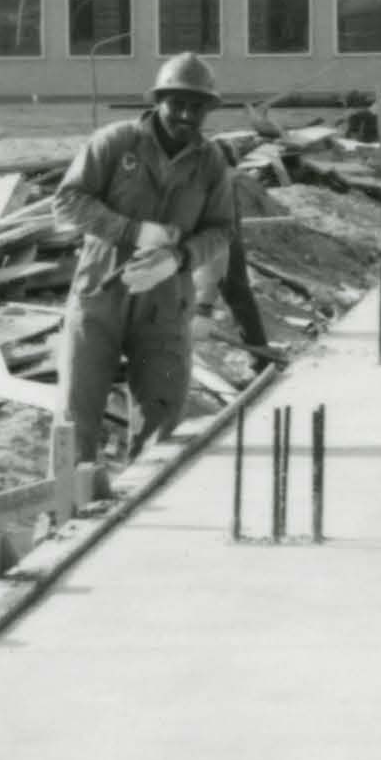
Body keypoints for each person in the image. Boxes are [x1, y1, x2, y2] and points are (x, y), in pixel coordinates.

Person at [58, 51, 251, 464]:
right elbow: (68, 201)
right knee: (78, 413)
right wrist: (132, 231)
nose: (185, 115)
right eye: (177, 103)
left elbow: (221, 230)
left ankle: (138, 512)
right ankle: (68, 514)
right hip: (101, 292)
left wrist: (180, 258)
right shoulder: (114, 143)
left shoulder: (211, 163)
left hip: (166, 300)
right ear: (158, 101)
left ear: (208, 110)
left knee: (162, 418)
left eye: (196, 107)